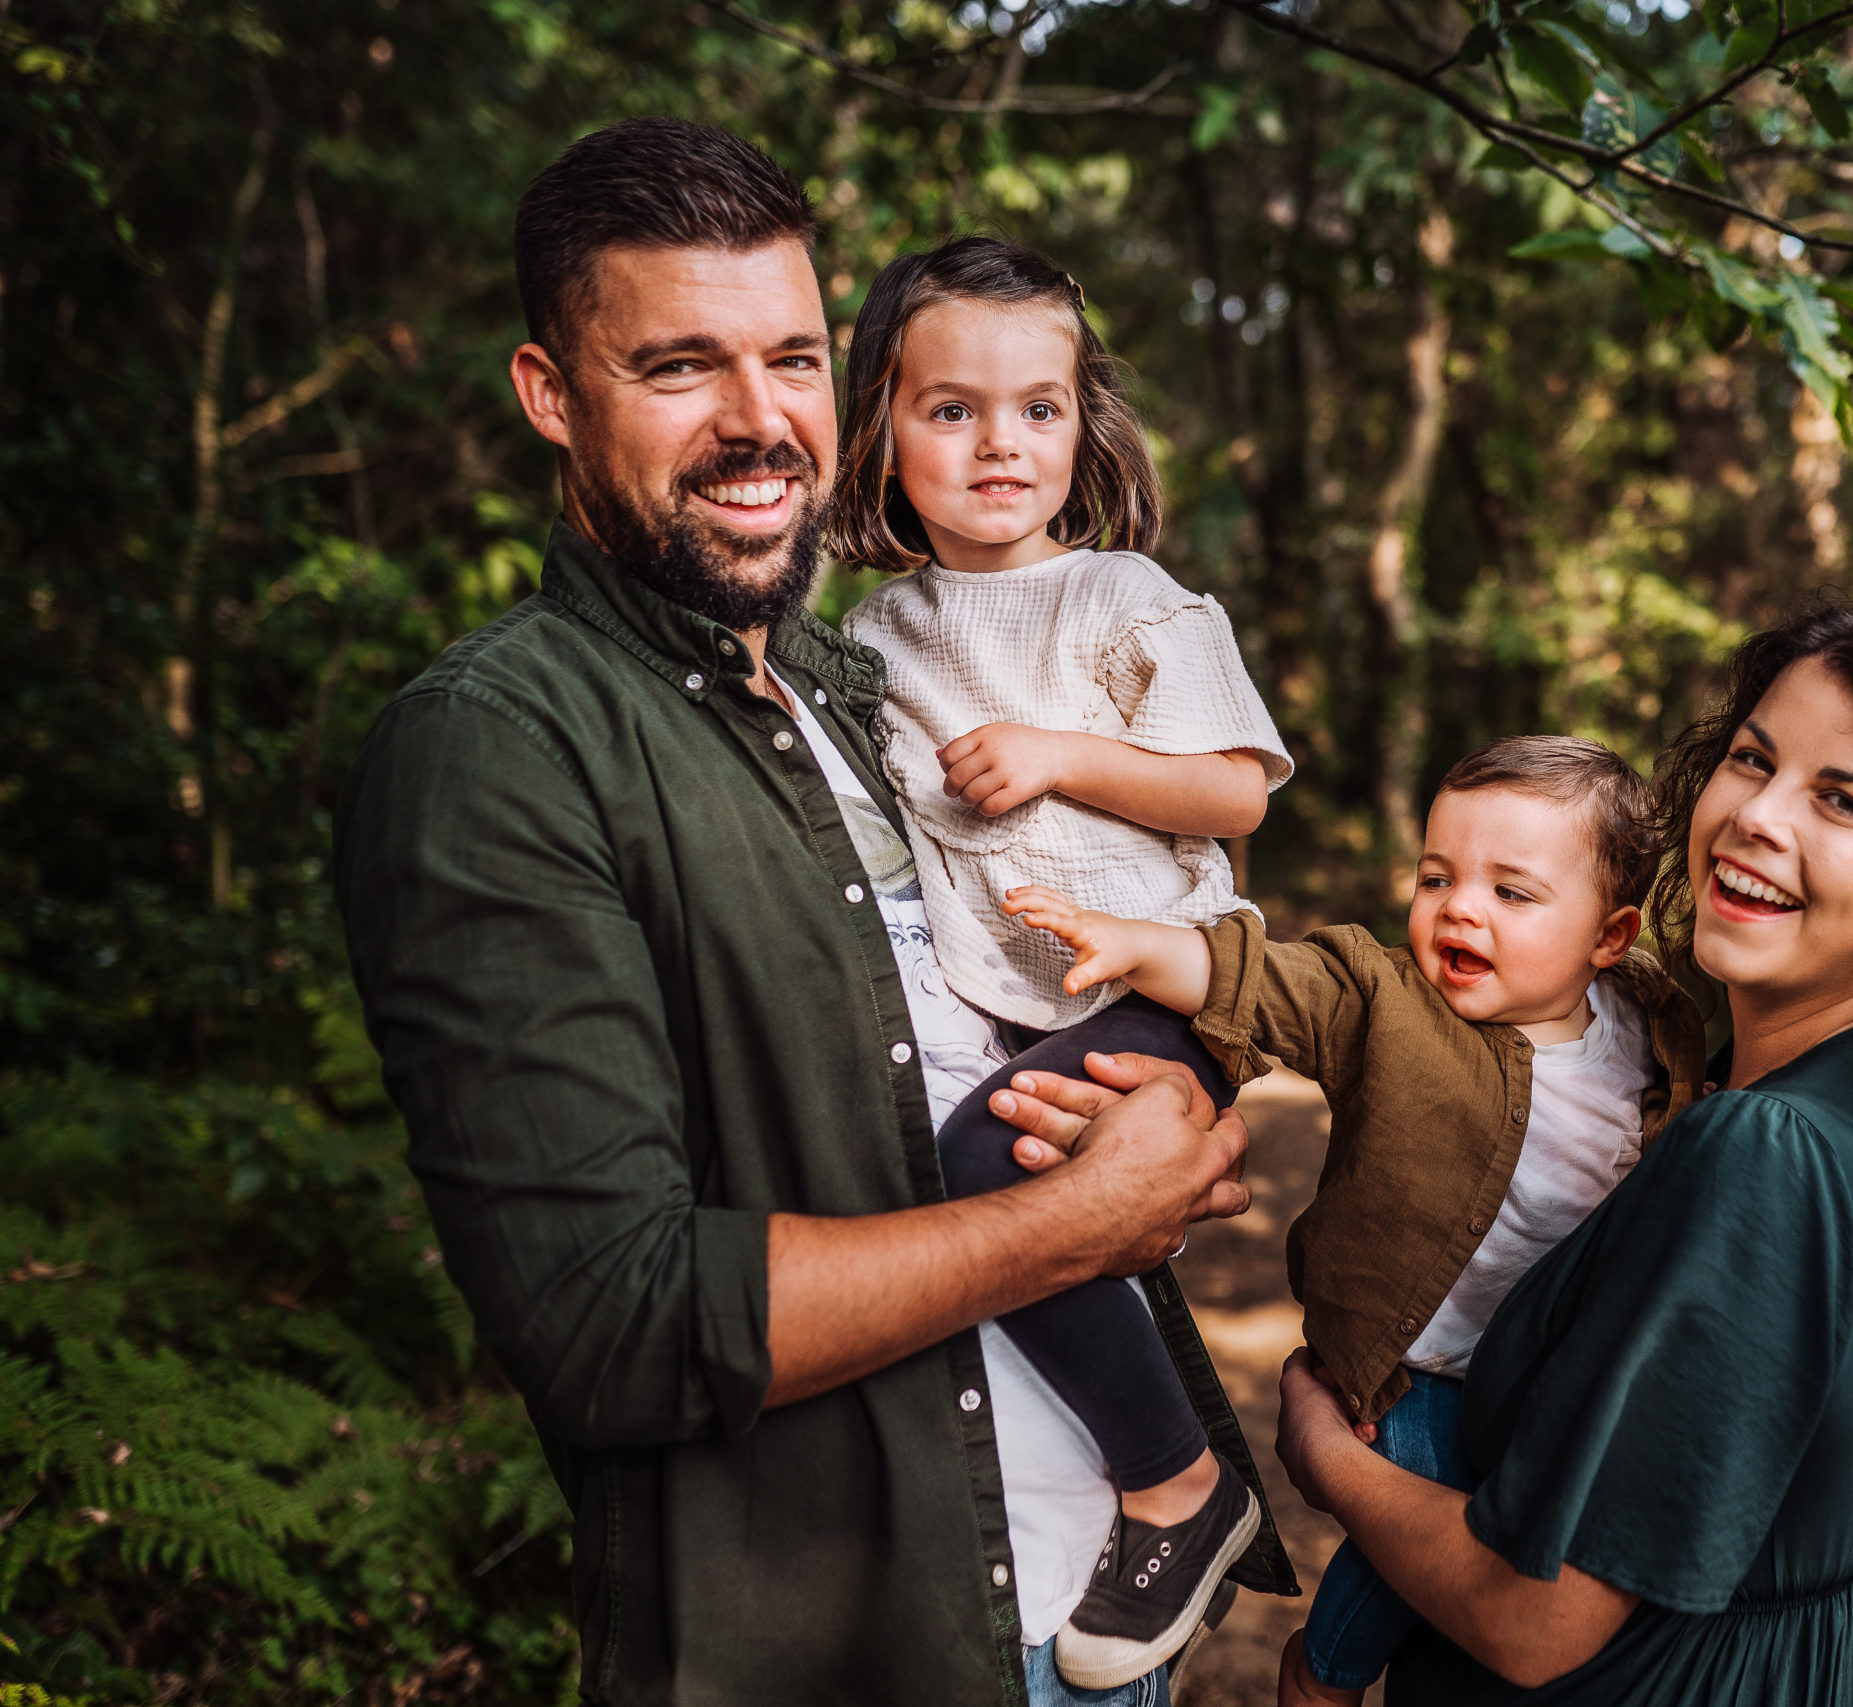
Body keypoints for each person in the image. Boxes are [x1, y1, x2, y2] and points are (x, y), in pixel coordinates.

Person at [331, 117, 1291, 1707]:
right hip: (863, 1638)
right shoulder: (501, 744)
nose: (759, 420)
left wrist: (1179, 1084)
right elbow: (612, 1318)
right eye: (680, 367)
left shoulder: (869, 684)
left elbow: (1170, 921)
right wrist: (1072, 1219)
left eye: (789, 357)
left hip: (1096, 1604)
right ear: (551, 395)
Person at [1254, 601, 1853, 1703]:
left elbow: (1533, 1619)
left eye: (1841, 801)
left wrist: (1327, 1453)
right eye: (1752, 760)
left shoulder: (1764, 1150)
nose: (1756, 816)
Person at [999, 735, 1714, 1704]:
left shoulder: (1652, 1029)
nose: (1459, 907)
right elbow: (1266, 982)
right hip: (1416, 1368)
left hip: (1556, 1376)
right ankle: (1322, 1673)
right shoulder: (1388, 1001)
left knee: (1523, 1552)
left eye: (1512, 892)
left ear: (1610, 938)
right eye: (1436, 876)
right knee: (1405, 1535)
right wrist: (1133, 943)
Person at [828, 235, 1295, 1688]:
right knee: (1000, 1163)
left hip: (1155, 977)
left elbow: (1236, 790)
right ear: (881, 432)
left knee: (990, 1165)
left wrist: (1060, 758)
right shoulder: (872, 636)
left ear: (1083, 425)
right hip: (1010, 999)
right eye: (950, 408)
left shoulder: (1124, 599)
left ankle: (1179, 1484)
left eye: (1038, 407)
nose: (998, 443)